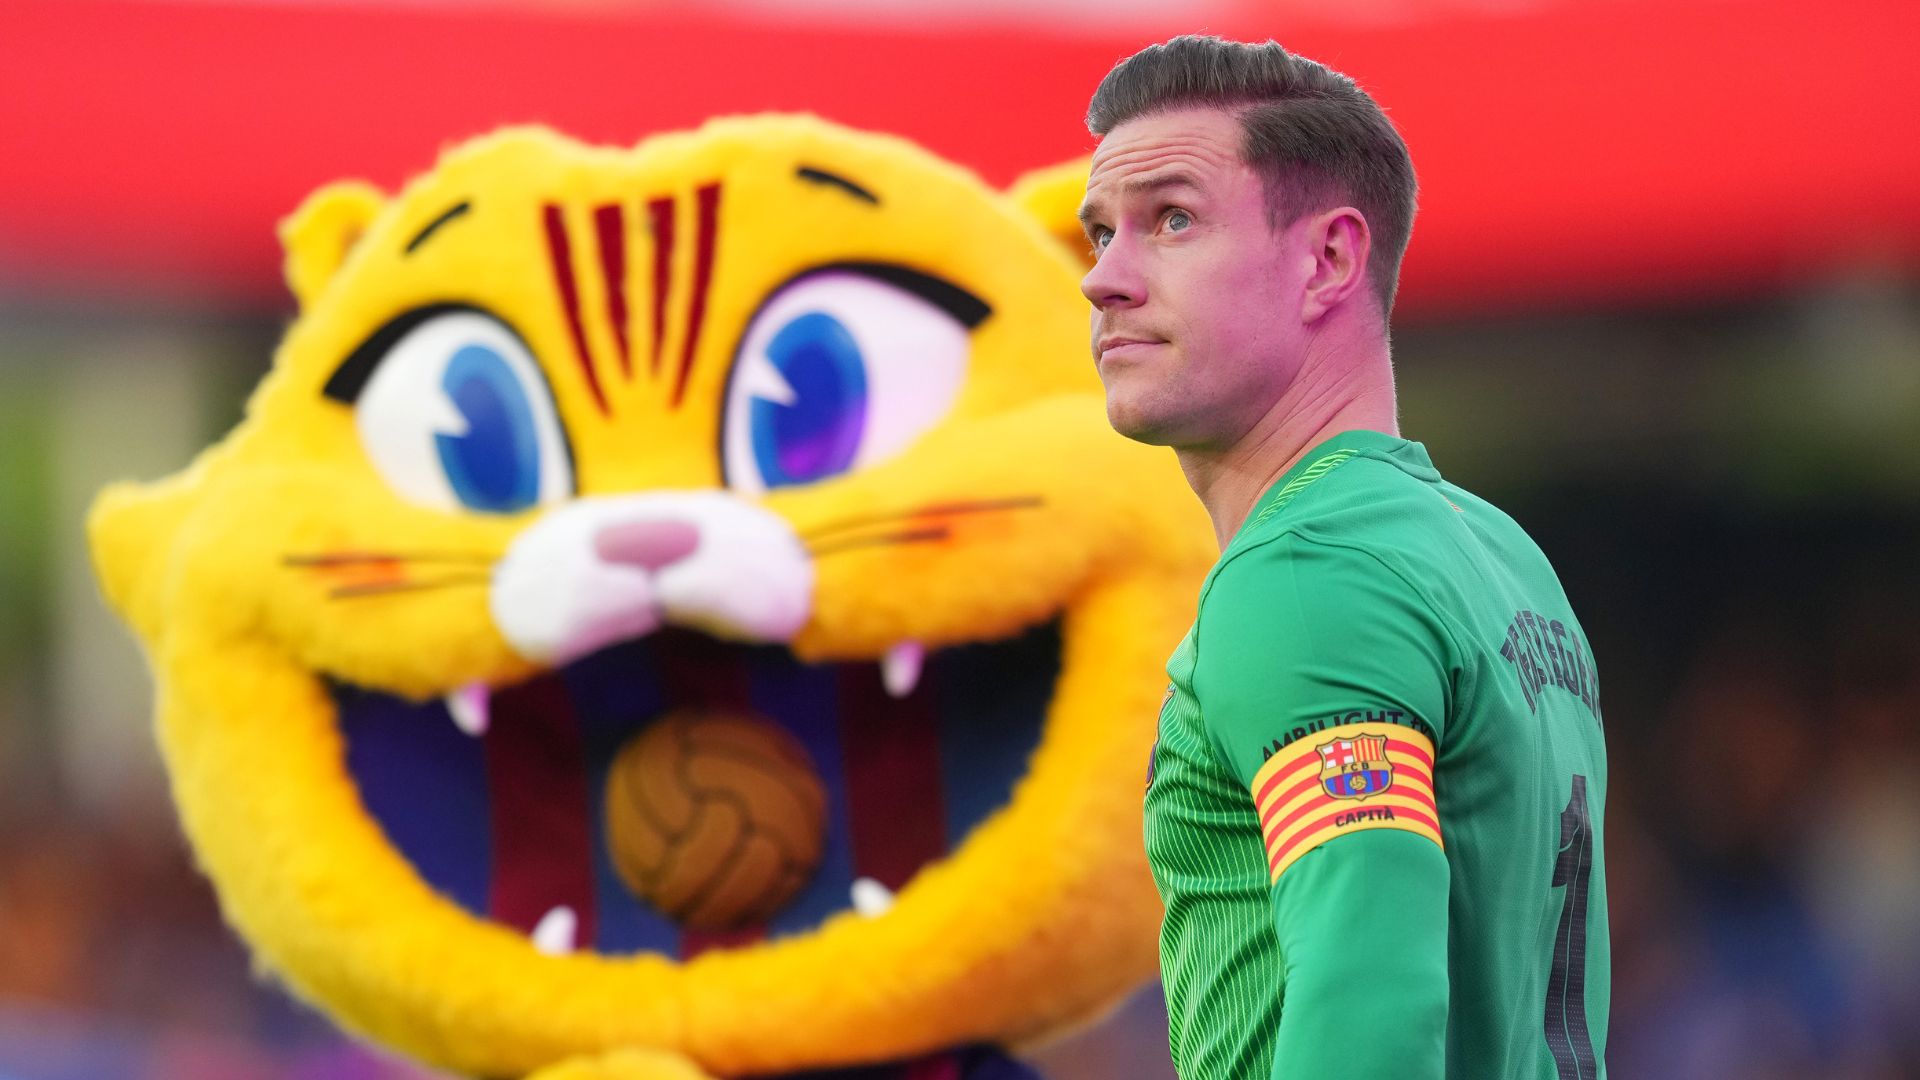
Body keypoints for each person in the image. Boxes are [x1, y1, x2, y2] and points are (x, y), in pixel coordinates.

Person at [1077, 36, 1609, 1079]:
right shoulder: (1501, 554)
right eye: (1100, 233)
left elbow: (1373, 1010)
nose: (1104, 279)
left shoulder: (1308, 571)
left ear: (1327, 260)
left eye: (1170, 220)